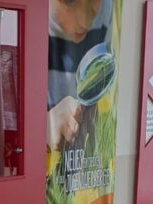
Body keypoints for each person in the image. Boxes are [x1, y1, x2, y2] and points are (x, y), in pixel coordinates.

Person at [47, 0, 112, 150]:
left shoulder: (107, 11)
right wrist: (44, 126)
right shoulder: (24, 24)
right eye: (68, 2)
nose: (85, 22)